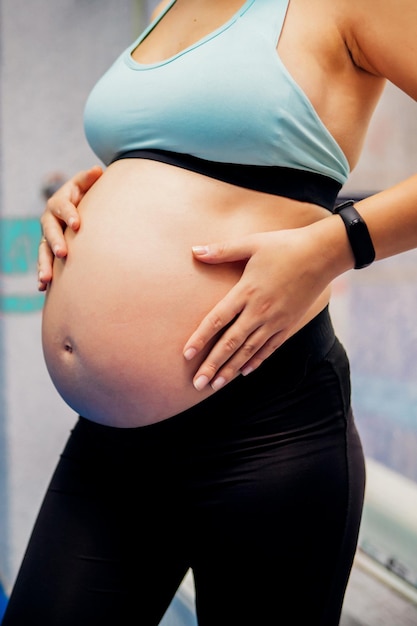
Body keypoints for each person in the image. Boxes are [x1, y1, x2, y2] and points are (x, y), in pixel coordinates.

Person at [3, 0, 417, 624]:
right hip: (113, 444)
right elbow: (188, 156)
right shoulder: (173, 5)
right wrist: (94, 190)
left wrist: (340, 241)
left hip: (266, 423)